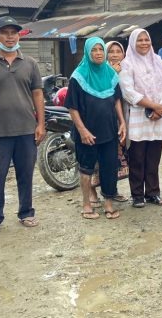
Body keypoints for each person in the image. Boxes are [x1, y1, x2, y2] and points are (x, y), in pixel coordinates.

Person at [0, 16, 45, 236]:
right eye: (4, 32)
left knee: (26, 174)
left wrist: (41, 124)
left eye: (13, 32)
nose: (9, 36)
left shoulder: (30, 63)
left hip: (26, 129)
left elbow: (37, 94)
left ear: (18, 35)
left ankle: (26, 213)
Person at [65, 37, 127, 220]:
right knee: (86, 169)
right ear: (87, 52)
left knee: (109, 167)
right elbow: (72, 107)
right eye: (94, 50)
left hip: (109, 130)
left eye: (101, 49)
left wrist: (122, 122)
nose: (99, 53)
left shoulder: (110, 73)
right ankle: (86, 205)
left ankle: (108, 204)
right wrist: (82, 130)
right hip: (87, 133)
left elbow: (116, 100)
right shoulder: (78, 76)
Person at [120, 29, 162, 208]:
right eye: (139, 40)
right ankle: (137, 195)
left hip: (158, 115)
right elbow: (128, 92)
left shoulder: (158, 60)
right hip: (138, 116)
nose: (144, 43)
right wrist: (153, 105)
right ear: (133, 43)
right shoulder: (127, 63)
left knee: (153, 158)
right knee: (137, 157)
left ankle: (153, 193)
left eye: (146, 40)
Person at [88, 40, 129, 206]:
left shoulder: (128, 68)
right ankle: (91, 190)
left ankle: (112, 190)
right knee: (96, 156)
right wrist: (113, 72)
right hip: (97, 118)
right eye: (110, 51)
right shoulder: (98, 70)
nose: (114, 54)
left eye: (118, 51)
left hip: (119, 117)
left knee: (115, 157)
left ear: (123, 54)